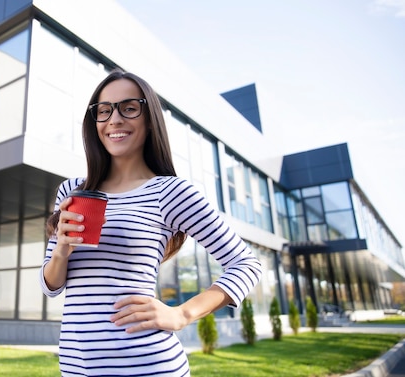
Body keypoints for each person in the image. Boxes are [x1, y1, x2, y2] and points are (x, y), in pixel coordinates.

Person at [41, 69, 263, 376]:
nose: (114, 120)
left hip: (147, 365)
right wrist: (61, 252)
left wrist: (182, 314)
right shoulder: (73, 191)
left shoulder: (170, 192)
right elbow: (50, 285)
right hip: (77, 367)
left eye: (129, 108)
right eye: (103, 111)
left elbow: (246, 264)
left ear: (149, 119)